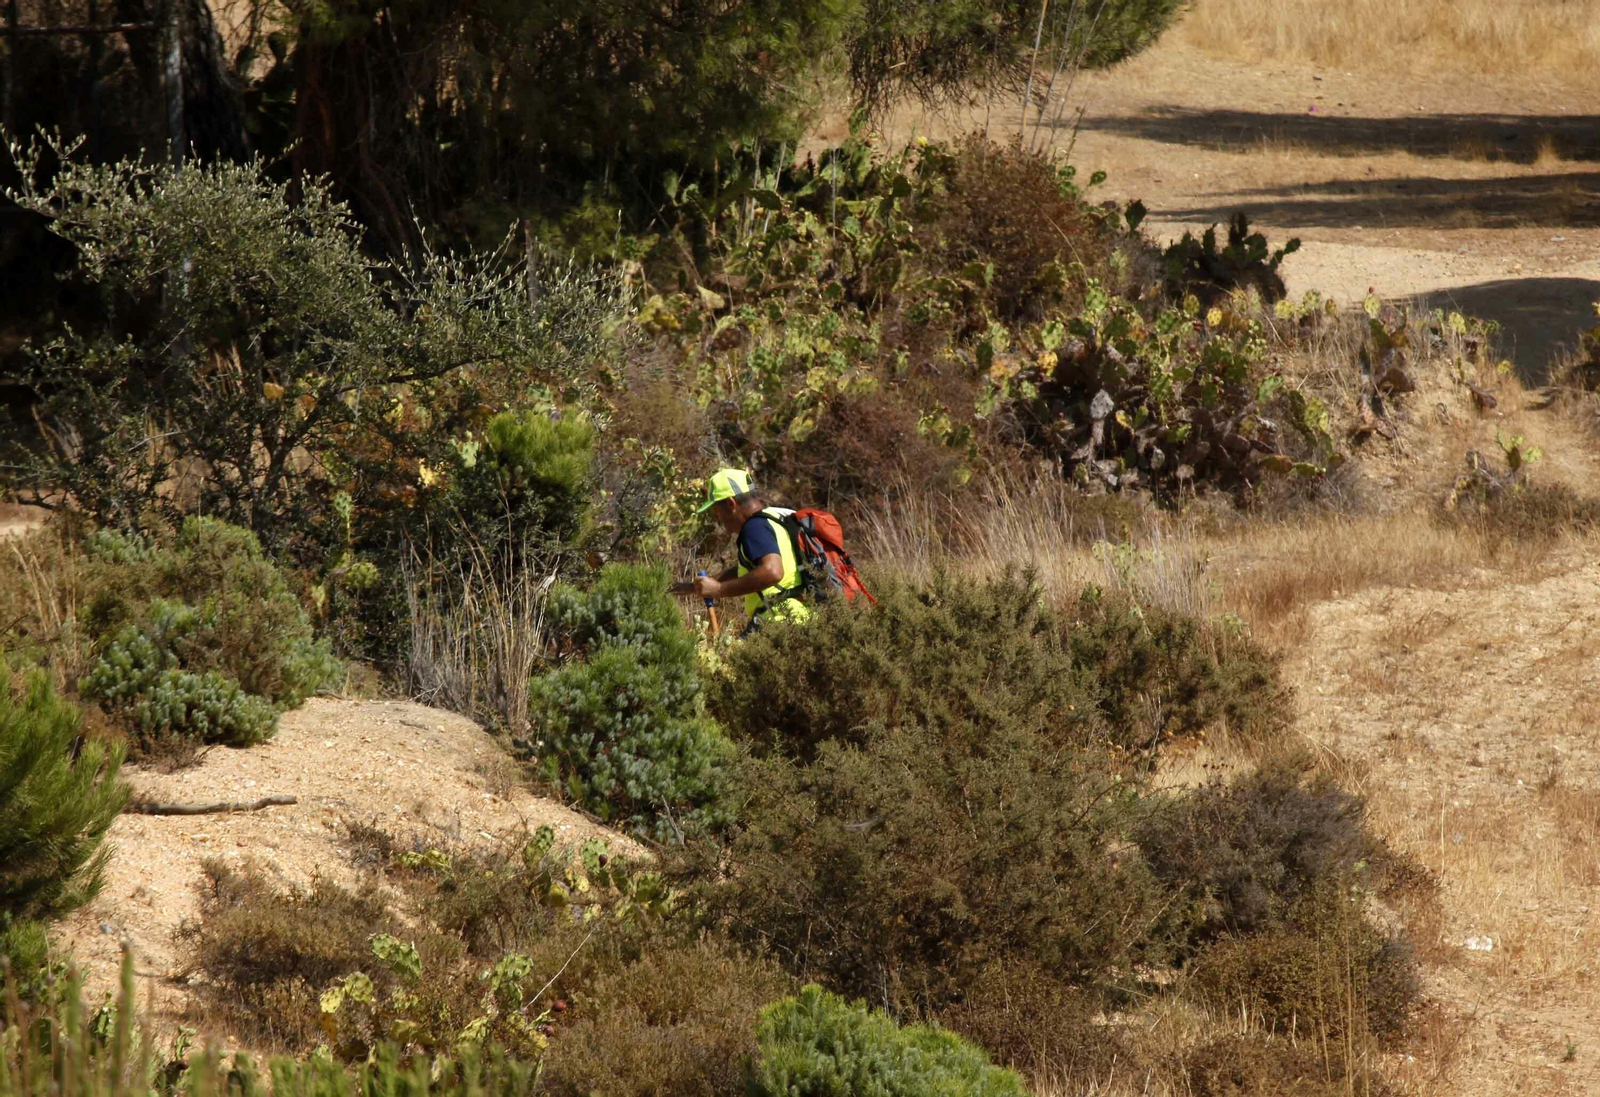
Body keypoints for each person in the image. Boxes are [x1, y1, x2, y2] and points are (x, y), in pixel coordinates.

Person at [670, 468, 810, 632]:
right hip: (801, 617)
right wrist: (695, 587)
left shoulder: (754, 526)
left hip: (779, 622)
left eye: (716, 510)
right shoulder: (777, 517)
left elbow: (772, 571)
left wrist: (718, 589)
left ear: (731, 504)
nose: (716, 517)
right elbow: (751, 570)